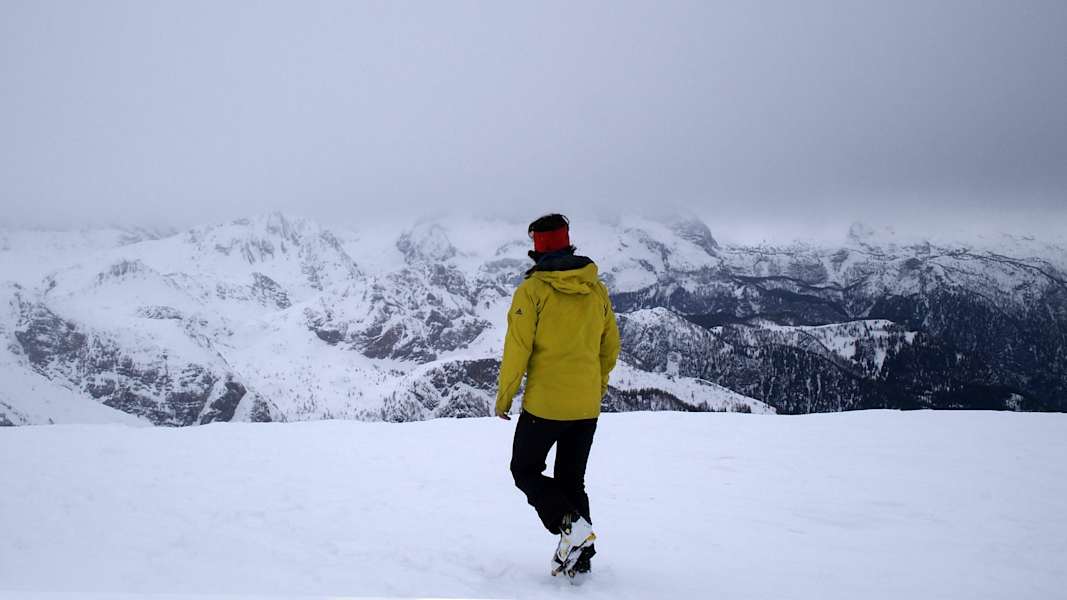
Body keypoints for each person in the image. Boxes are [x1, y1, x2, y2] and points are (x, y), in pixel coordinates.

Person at [495, 213, 621, 579]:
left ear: (537, 249)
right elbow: (610, 346)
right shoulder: (596, 288)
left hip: (545, 406)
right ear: (568, 243)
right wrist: (595, 387)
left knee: (524, 470)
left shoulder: (532, 291)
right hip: (586, 407)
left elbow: (517, 348)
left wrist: (504, 397)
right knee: (572, 481)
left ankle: (569, 526)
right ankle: (581, 559)